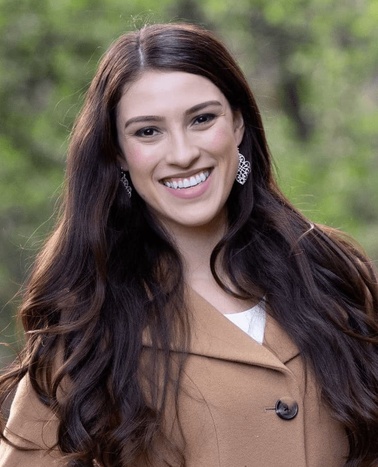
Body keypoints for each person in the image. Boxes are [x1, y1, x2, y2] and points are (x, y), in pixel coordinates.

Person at [0, 22, 377, 467]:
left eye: (202, 119)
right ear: (118, 153)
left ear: (237, 124)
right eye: (147, 132)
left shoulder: (335, 275)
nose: (181, 153)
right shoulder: (88, 324)